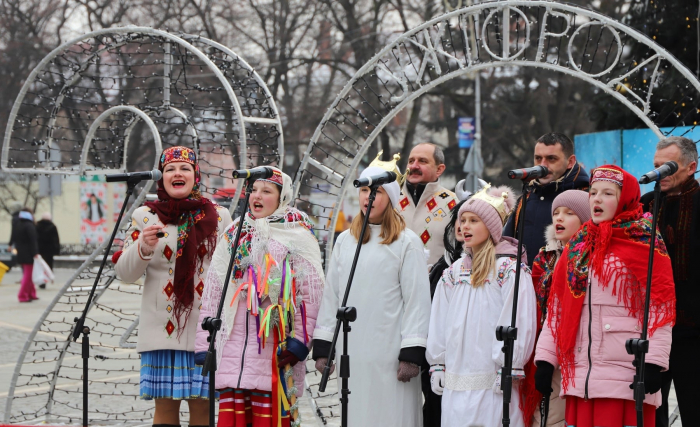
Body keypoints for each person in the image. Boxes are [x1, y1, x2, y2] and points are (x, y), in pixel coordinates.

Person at [534, 165, 675, 427]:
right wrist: (545, 359)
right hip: (580, 375)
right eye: (594, 192)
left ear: (626, 198)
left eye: (608, 193)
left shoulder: (644, 241)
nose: (597, 198)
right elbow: (558, 308)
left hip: (626, 375)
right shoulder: (578, 245)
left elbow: (660, 308)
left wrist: (654, 363)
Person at [195, 167, 324, 427]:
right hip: (232, 353)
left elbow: (311, 296)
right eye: (253, 190)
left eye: (266, 191)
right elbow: (214, 290)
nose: (257, 195)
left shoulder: (296, 235)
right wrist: (203, 343)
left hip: (272, 351)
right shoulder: (234, 233)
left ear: (282, 197)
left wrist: (300, 342)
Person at [113, 146, 232, 427]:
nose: (177, 173)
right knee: (165, 412)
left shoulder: (219, 216)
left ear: (195, 176)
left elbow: (228, 271)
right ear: (162, 177)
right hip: (161, 332)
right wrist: (142, 247)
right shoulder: (145, 216)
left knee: (202, 411)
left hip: (204, 330)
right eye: (170, 169)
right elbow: (125, 273)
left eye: (184, 168)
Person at [313, 164, 432, 427]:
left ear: (390, 197)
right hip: (353, 352)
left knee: (391, 416)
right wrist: (324, 345)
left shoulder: (407, 242)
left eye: (376, 191)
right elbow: (333, 294)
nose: (369, 196)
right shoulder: (346, 241)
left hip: (391, 355)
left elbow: (417, 301)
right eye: (365, 190)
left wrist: (411, 352)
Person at [426, 184, 537, 427]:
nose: (464, 226)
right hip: (457, 379)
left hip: (493, 380)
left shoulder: (510, 270)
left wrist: (509, 364)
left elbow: (517, 319)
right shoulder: (453, 273)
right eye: (463, 220)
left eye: (473, 220)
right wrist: (437, 363)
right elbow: (440, 320)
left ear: (492, 227)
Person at [639, 136, 700, 426]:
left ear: (691, 167)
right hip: (650, 333)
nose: (660, 172)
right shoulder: (645, 206)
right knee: (651, 414)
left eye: (669, 166)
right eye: (656, 166)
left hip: (694, 333)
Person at [520, 190, 591, 427]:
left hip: (579, 346)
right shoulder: (544, 257)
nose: (559, 218)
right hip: (547, 344)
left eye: (569, 213)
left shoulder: (593, 257)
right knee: (546, 414)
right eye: (556, 213)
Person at [503, 133, 589, 267]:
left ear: (570, 162)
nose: (543, 165)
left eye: (551, 159)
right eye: (538, 158)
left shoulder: (585, 197)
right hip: (523, 285)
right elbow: (507, 245)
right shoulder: (526, 198)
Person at [398, 142, 458, 267]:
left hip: (437, 284)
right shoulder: (391, 199)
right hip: (394, 283)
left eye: (422, 161)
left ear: (439, 169)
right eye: (411, 161)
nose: (414, 166)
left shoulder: (454, 203)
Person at [12, 208, 39, 302]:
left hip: (21, 253)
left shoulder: (18, 224)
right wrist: (35, 253)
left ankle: (31, 293)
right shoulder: (29, 225)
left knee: (28, 275)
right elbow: (33, 241)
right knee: (28, 276)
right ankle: (23, 295)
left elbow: (14, 237)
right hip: (29, 254)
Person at [36, 212, 60, 280]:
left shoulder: (37, 226)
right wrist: (57, 250)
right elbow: (56, 239)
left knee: (41, 265)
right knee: (48, 264)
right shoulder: (52, 226)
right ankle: (47, 278)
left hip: (40, 249)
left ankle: (41, 279)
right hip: (49, 250)